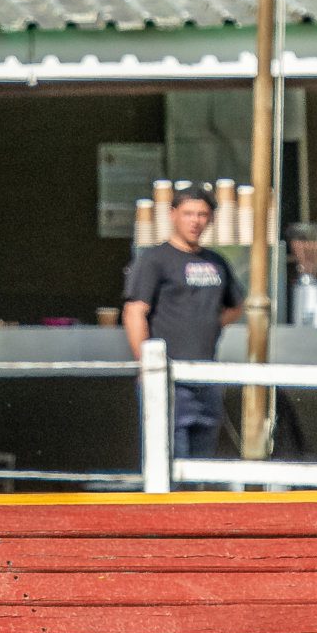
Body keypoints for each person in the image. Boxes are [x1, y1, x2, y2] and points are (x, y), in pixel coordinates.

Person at [123, 189, 246, 459]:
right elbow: (134, 312)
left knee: (202, 465)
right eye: (188, 214)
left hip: (207, 377)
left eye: (202, 214)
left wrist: (210, 324)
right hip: (168, 378)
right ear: (172, 215)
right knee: (168, 461)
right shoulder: (155, 259)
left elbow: (237, 306)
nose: (195, 221)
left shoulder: (216, 261)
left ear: (211, 219)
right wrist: (147, 365)